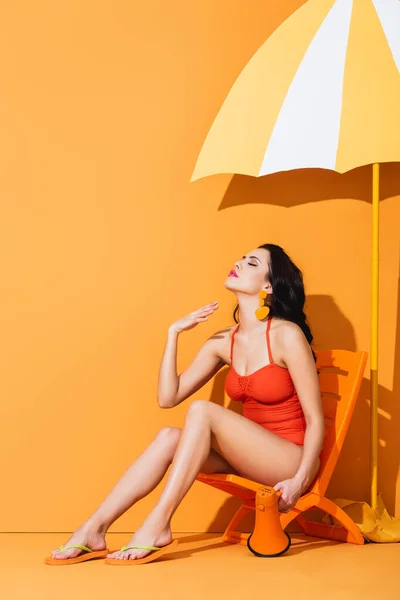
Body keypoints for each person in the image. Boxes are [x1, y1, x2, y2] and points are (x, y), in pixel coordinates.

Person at [47, 243, 324, 565]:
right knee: (167, 436)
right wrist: (173, 333)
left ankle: (158, 524)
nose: (237, 262)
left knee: (203, 410)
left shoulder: (286, 335)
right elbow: (169, 398)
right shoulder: (224, 341)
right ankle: (93, 530)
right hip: (247, 458)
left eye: (251, 263)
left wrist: (299, 479)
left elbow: (315, 419)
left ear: (268, 285)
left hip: (288, 462)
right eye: (240, 258)